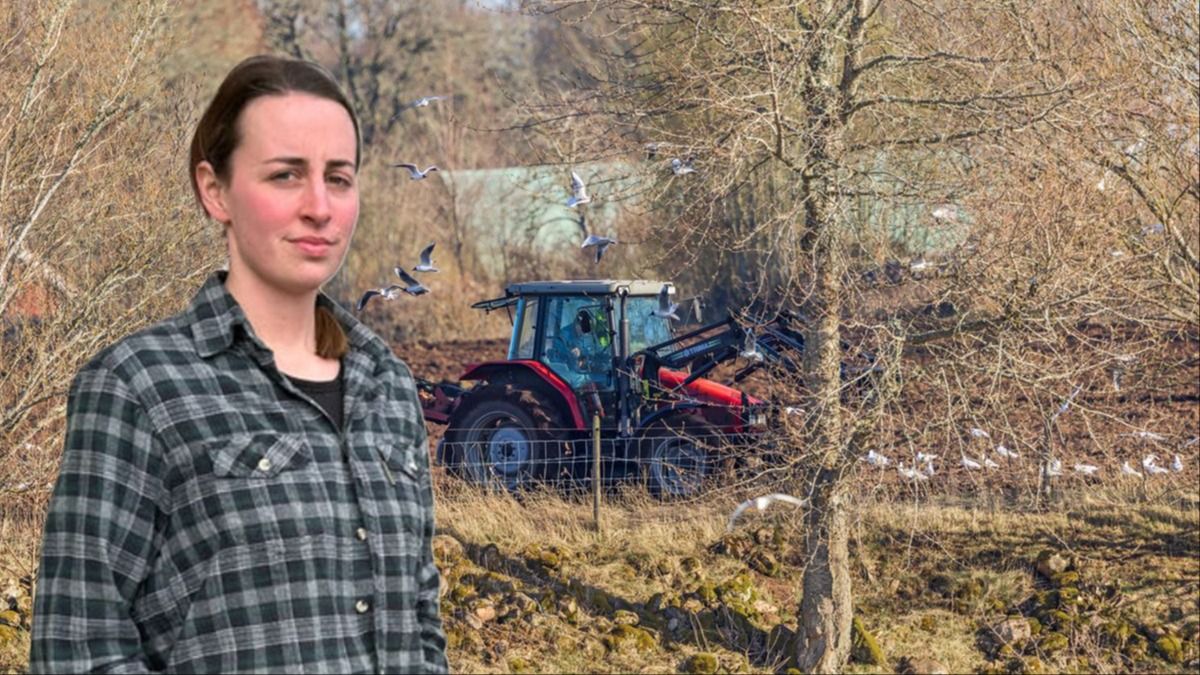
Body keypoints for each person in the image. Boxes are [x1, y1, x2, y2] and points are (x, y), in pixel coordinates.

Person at [30, 55, 447, 673]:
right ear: (215, 190)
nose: (320, 207)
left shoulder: (386, 384)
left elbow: (420, 621)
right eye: (285, 175)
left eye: (338, 178)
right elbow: (76, 648)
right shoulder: (138, 386)